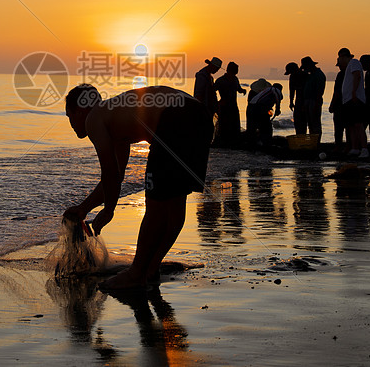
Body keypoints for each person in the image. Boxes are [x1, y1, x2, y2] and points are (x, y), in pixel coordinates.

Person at [63, 84, 213, 290]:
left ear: (79, 109)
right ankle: (150, 268)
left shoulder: (94, 118)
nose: (70, 123)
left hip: (175, 116)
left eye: (68, 115)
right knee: (175, 205)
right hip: (200, 115)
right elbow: (116, 176)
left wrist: (109, 210)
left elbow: (108, 171)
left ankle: (136, 274)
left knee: (156, 207)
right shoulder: (114, 117)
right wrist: (85, 208)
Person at [337, 48, 368, 158]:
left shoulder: (354, 62)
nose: (339, 61)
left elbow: (357, 75)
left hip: (355, 99)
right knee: (351, 125)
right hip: (348, 100)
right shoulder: (349, 67)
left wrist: (354, 92)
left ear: (343, 57)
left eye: (339, 59)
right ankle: (355, 148)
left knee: (358, 124)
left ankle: (364, 148)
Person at [213, 61, 246, 147]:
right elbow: (212, 91)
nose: (234, 74)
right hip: (224, 107)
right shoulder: (220, 81)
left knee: (235, 126)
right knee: (224, 127)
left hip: (234, 106)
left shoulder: (235, 79)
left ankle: (233, 144)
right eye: (234, 72)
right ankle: (224, 144)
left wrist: (243, 90)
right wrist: (218, 103)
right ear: (228, 70)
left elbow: (238, 89)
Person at [300, 56, 326, 135]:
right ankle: (313, 141)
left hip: (314, 101)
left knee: (315, 123)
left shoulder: (319, 75)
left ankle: (316, 142)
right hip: (308, 101)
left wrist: (316, 104)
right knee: (310, 124)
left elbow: (319, 92)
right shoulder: (310, 75)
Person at [285, 62, 308, 135]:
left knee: (302, 122)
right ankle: (300, 136)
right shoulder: (298, 75)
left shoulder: (305, 75)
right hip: (299, 101)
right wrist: (291, 102)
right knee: (298, 122)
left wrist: (291, 102)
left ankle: (302, 136)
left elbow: (292, 90)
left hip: (304, 101)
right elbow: (291, 90)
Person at [328, 66, 346, 151]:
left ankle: (338, 146)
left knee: (338, 127)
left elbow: (337, 91)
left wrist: (332, 104)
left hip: (340, 105)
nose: (339, 66)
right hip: (345, 104)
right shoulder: (349, 74)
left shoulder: (341, 75)